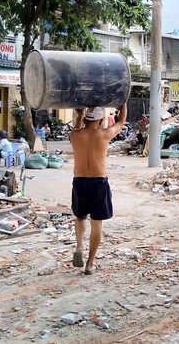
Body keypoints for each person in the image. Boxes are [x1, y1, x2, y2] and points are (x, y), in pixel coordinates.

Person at [69, 103, 127, 275]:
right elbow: (122, 121)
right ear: (101, 120)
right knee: (97, 223)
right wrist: (123, 102)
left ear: (86, 118)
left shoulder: (75, 135)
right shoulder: (104, 135)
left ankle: (79, 245)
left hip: (79, 181)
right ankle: (90, 263)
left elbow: (77, 130)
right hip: (98, 182)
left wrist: (79, 116)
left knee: (80, 216)